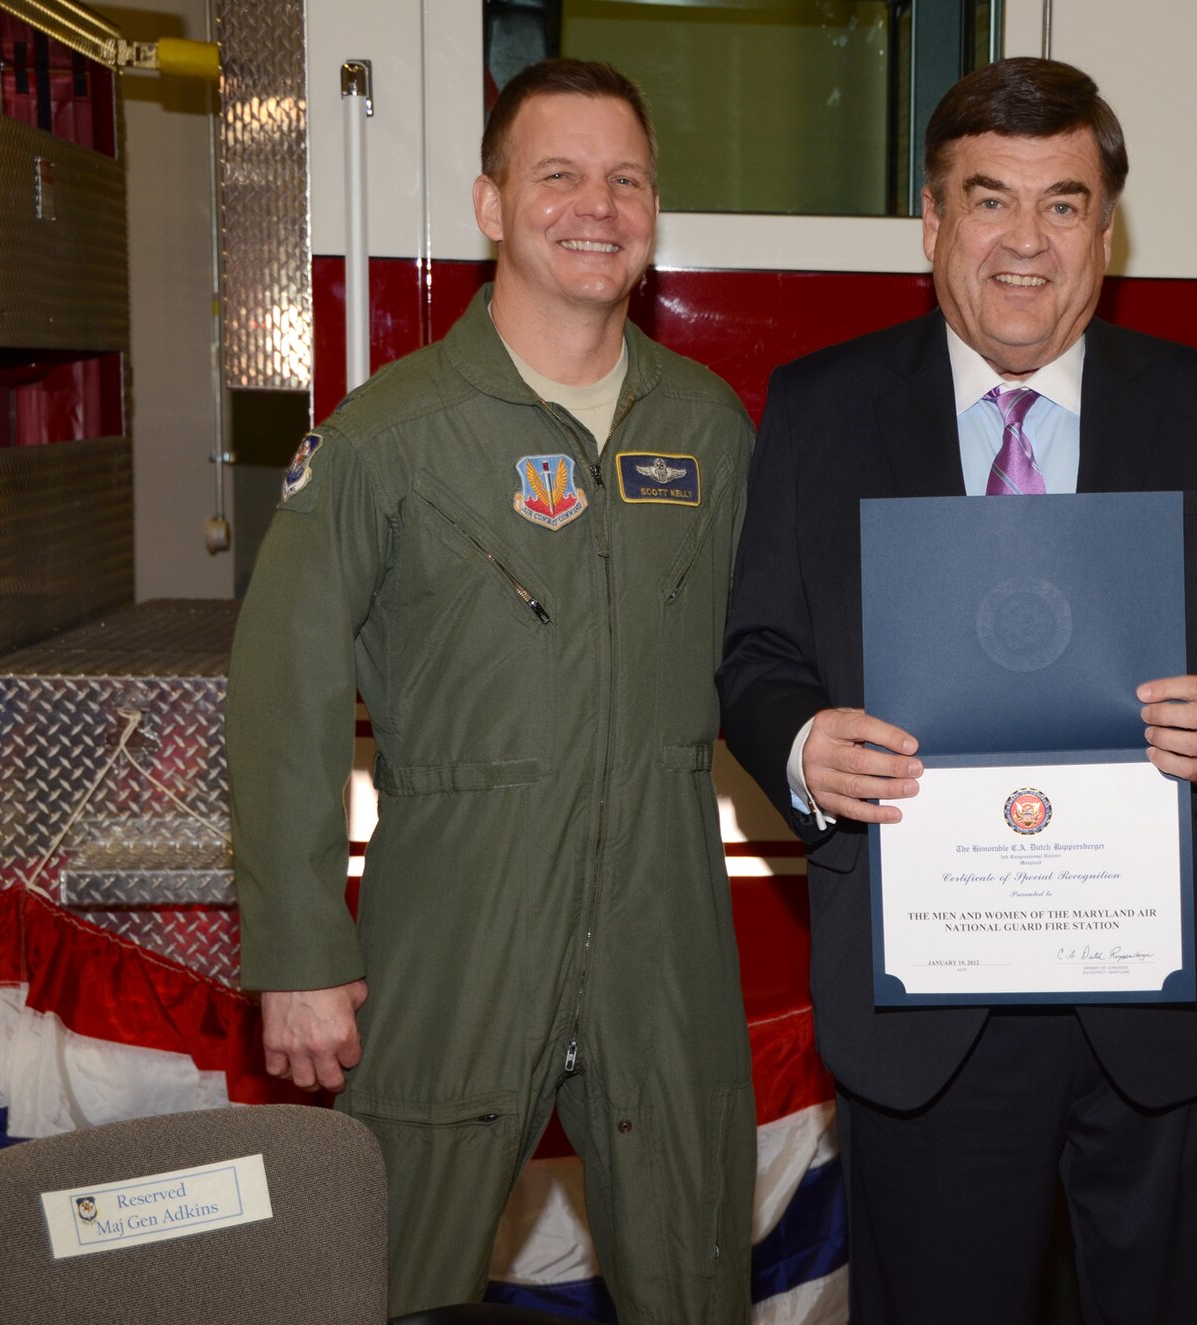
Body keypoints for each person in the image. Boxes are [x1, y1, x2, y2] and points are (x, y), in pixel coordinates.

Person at [716, 57, 1197, 1325]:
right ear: (932, 223)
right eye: (988, 199)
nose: (1024, 240)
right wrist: (799, 750)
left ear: (1104, 231)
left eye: (1063, 204)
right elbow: (756, 660)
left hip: (1160, 1002)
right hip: (928, 1002)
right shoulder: (821, 408)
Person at [227, 59, 755, 1319]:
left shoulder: (710, 426)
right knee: (388, 1269)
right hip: (455, 915)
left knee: (692, 1273)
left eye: (626, 178)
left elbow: (772, 654)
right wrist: (299, 945)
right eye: (558, 173)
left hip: (664, 926)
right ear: (489, 202)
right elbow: (281, 686)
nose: (598, 204)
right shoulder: (385, 436)